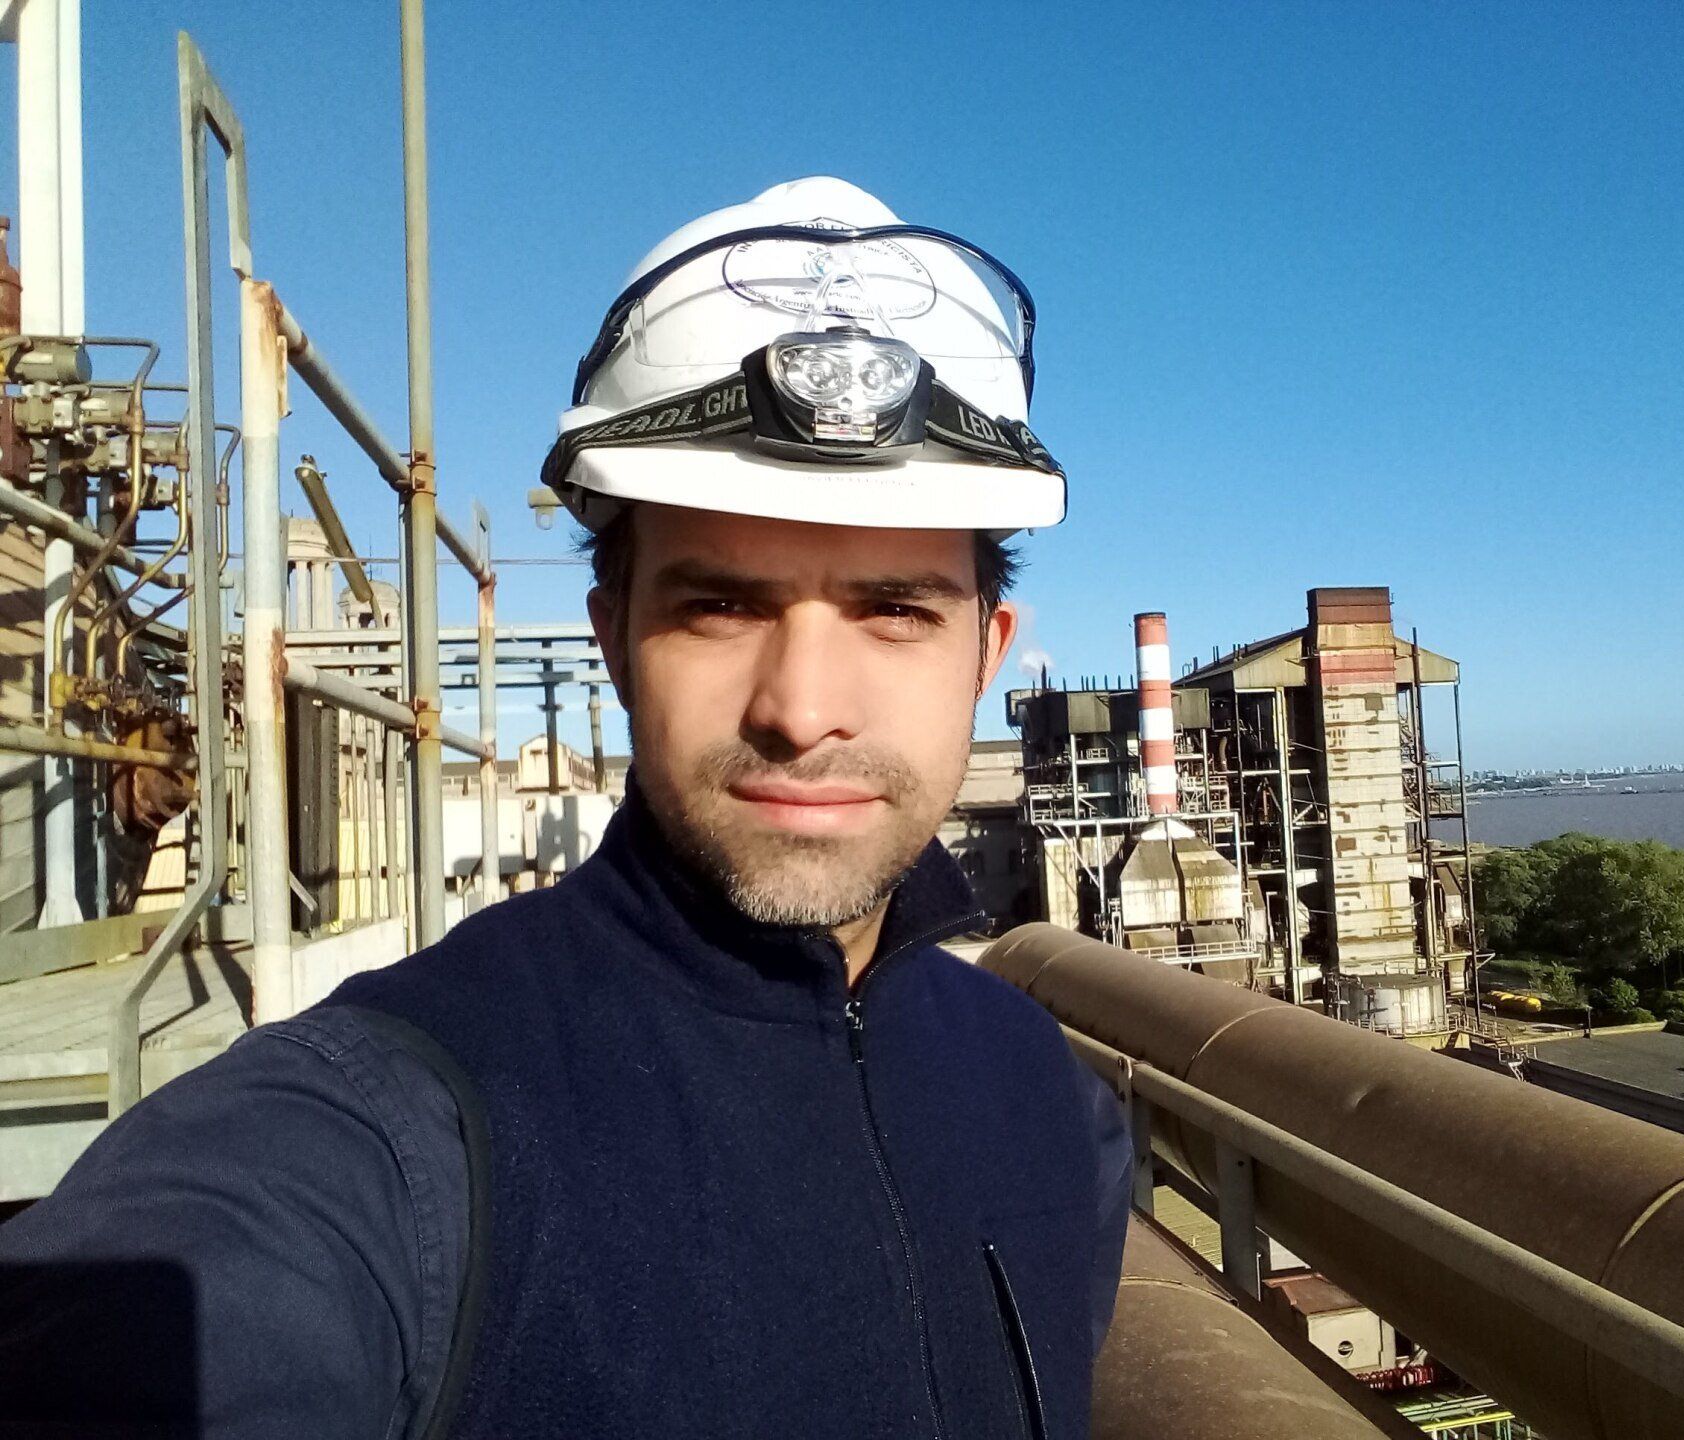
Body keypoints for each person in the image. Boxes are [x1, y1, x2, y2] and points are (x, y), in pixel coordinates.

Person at [0, 176, 1132, 1439]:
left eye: (893, 610)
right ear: (613, 635)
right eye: (721, 606)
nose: (803, 708)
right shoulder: (392, 1136)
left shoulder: (1044, 1101)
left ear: (990, 649)